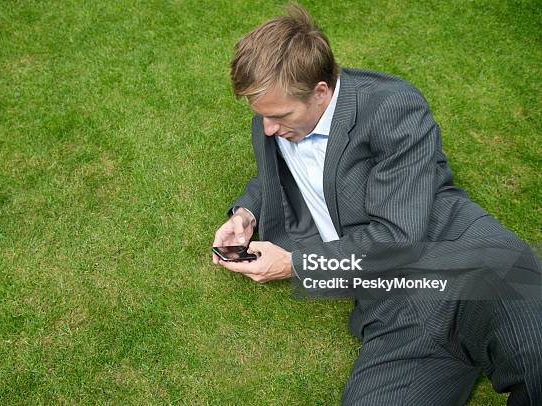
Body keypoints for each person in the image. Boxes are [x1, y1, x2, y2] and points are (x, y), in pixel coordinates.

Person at [211, 4, 542, 405]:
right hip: (392, 305)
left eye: (278, 116)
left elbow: (398, 240)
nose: (267, 129)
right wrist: (246, 214)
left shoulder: (392, 107)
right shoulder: (277, 120)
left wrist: (296, 264)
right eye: (261, 116)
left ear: (320, 92)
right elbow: (276, 175)